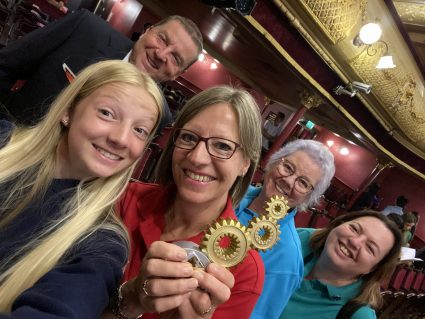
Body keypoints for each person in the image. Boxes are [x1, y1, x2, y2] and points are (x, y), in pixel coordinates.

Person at [0, 60, 164, 317]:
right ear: (68, 110)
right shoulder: (2, 140)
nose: (121, 139)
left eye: (139, 130)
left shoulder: (103, 243)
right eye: (107, 113)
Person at [111, 86, 265, 318]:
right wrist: (130, 299)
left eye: (222, 146)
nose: (197, 157)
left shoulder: (245, 269)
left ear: (246, 163)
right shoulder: (126, 198)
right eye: (189, 137)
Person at [0, 9, 202, 129]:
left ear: (177, 74)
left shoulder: (159, 115)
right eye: (162, 38)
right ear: (147, 31)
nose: (161, 54)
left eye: (175, 58)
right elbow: (6, 64)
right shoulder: (85, 28)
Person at [235, 139, 335, 319]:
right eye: (288, 167)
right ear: (274, 162)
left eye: (303, 183)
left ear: (309, 197)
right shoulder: (230, 191)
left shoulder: (287, 259)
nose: (289, 181)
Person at [280, 210, 402, 319]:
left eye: (370, 248)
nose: (354, 242)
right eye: (354, 229)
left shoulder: (357, 314)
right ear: (340, 223)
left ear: (373, 268)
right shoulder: (301, 239)